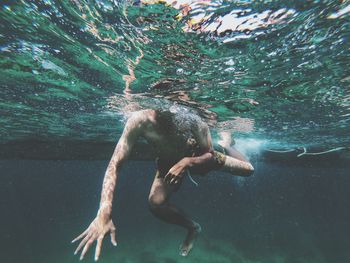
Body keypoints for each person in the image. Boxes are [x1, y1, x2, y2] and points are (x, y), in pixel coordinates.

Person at [72, 108, 254, 260]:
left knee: (249, 170)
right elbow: (115, 163)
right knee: (155, 204)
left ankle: (227, 142)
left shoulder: (194, 120)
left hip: (201, 160)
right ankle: (193, 228)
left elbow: (208, 155)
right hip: (168, 163)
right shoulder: (139, 120)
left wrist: (187, 162)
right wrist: (104, 212)